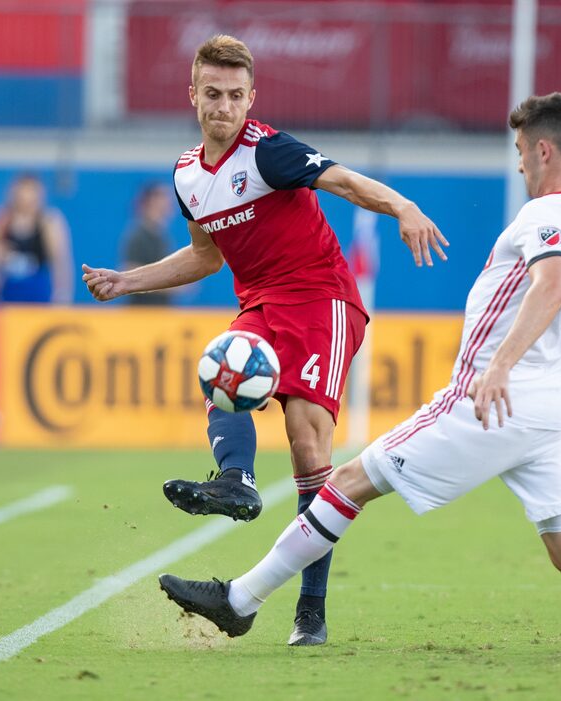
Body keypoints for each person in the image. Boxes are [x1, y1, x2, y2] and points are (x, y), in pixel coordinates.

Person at [157, 92, 561, 658]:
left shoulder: (544, 213)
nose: (521, 166)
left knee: (345, 482)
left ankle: (240, 601)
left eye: (522, 154)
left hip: (487, 401)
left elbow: (549, 283)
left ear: (544, 151)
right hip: (548, 416)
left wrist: (498, 368)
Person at [82, 34, 447, 646]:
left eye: (234, 95)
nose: (222, 106)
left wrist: (402, 206)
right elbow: (204, 257)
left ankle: (311, 608)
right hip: (261, 303)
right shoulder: (186, 177)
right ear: (193, 95)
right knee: (220, 371)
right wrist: (127, 282)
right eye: (211, 94)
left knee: (308, 447)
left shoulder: (269, 153)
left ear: (251, 99)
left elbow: (347, 183)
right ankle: (237, 482)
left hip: (323, 299)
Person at [0, 174, 73, 304]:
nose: (27, 198)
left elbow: (60, 262)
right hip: (7, 289)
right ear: (15, 194)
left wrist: (62, 295)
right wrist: (0, 255)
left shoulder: (49, 221)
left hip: (37, 290)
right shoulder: (2, 218)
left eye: (32, 192)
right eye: (24, 192)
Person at [120, 183, 175, 305]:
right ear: (152, 201)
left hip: (160, 313)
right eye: (164, 197)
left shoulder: (161, 236)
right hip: (141, 314)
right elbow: (128, 271)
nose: (170, 203)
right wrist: (175, 282)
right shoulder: (138, 235)